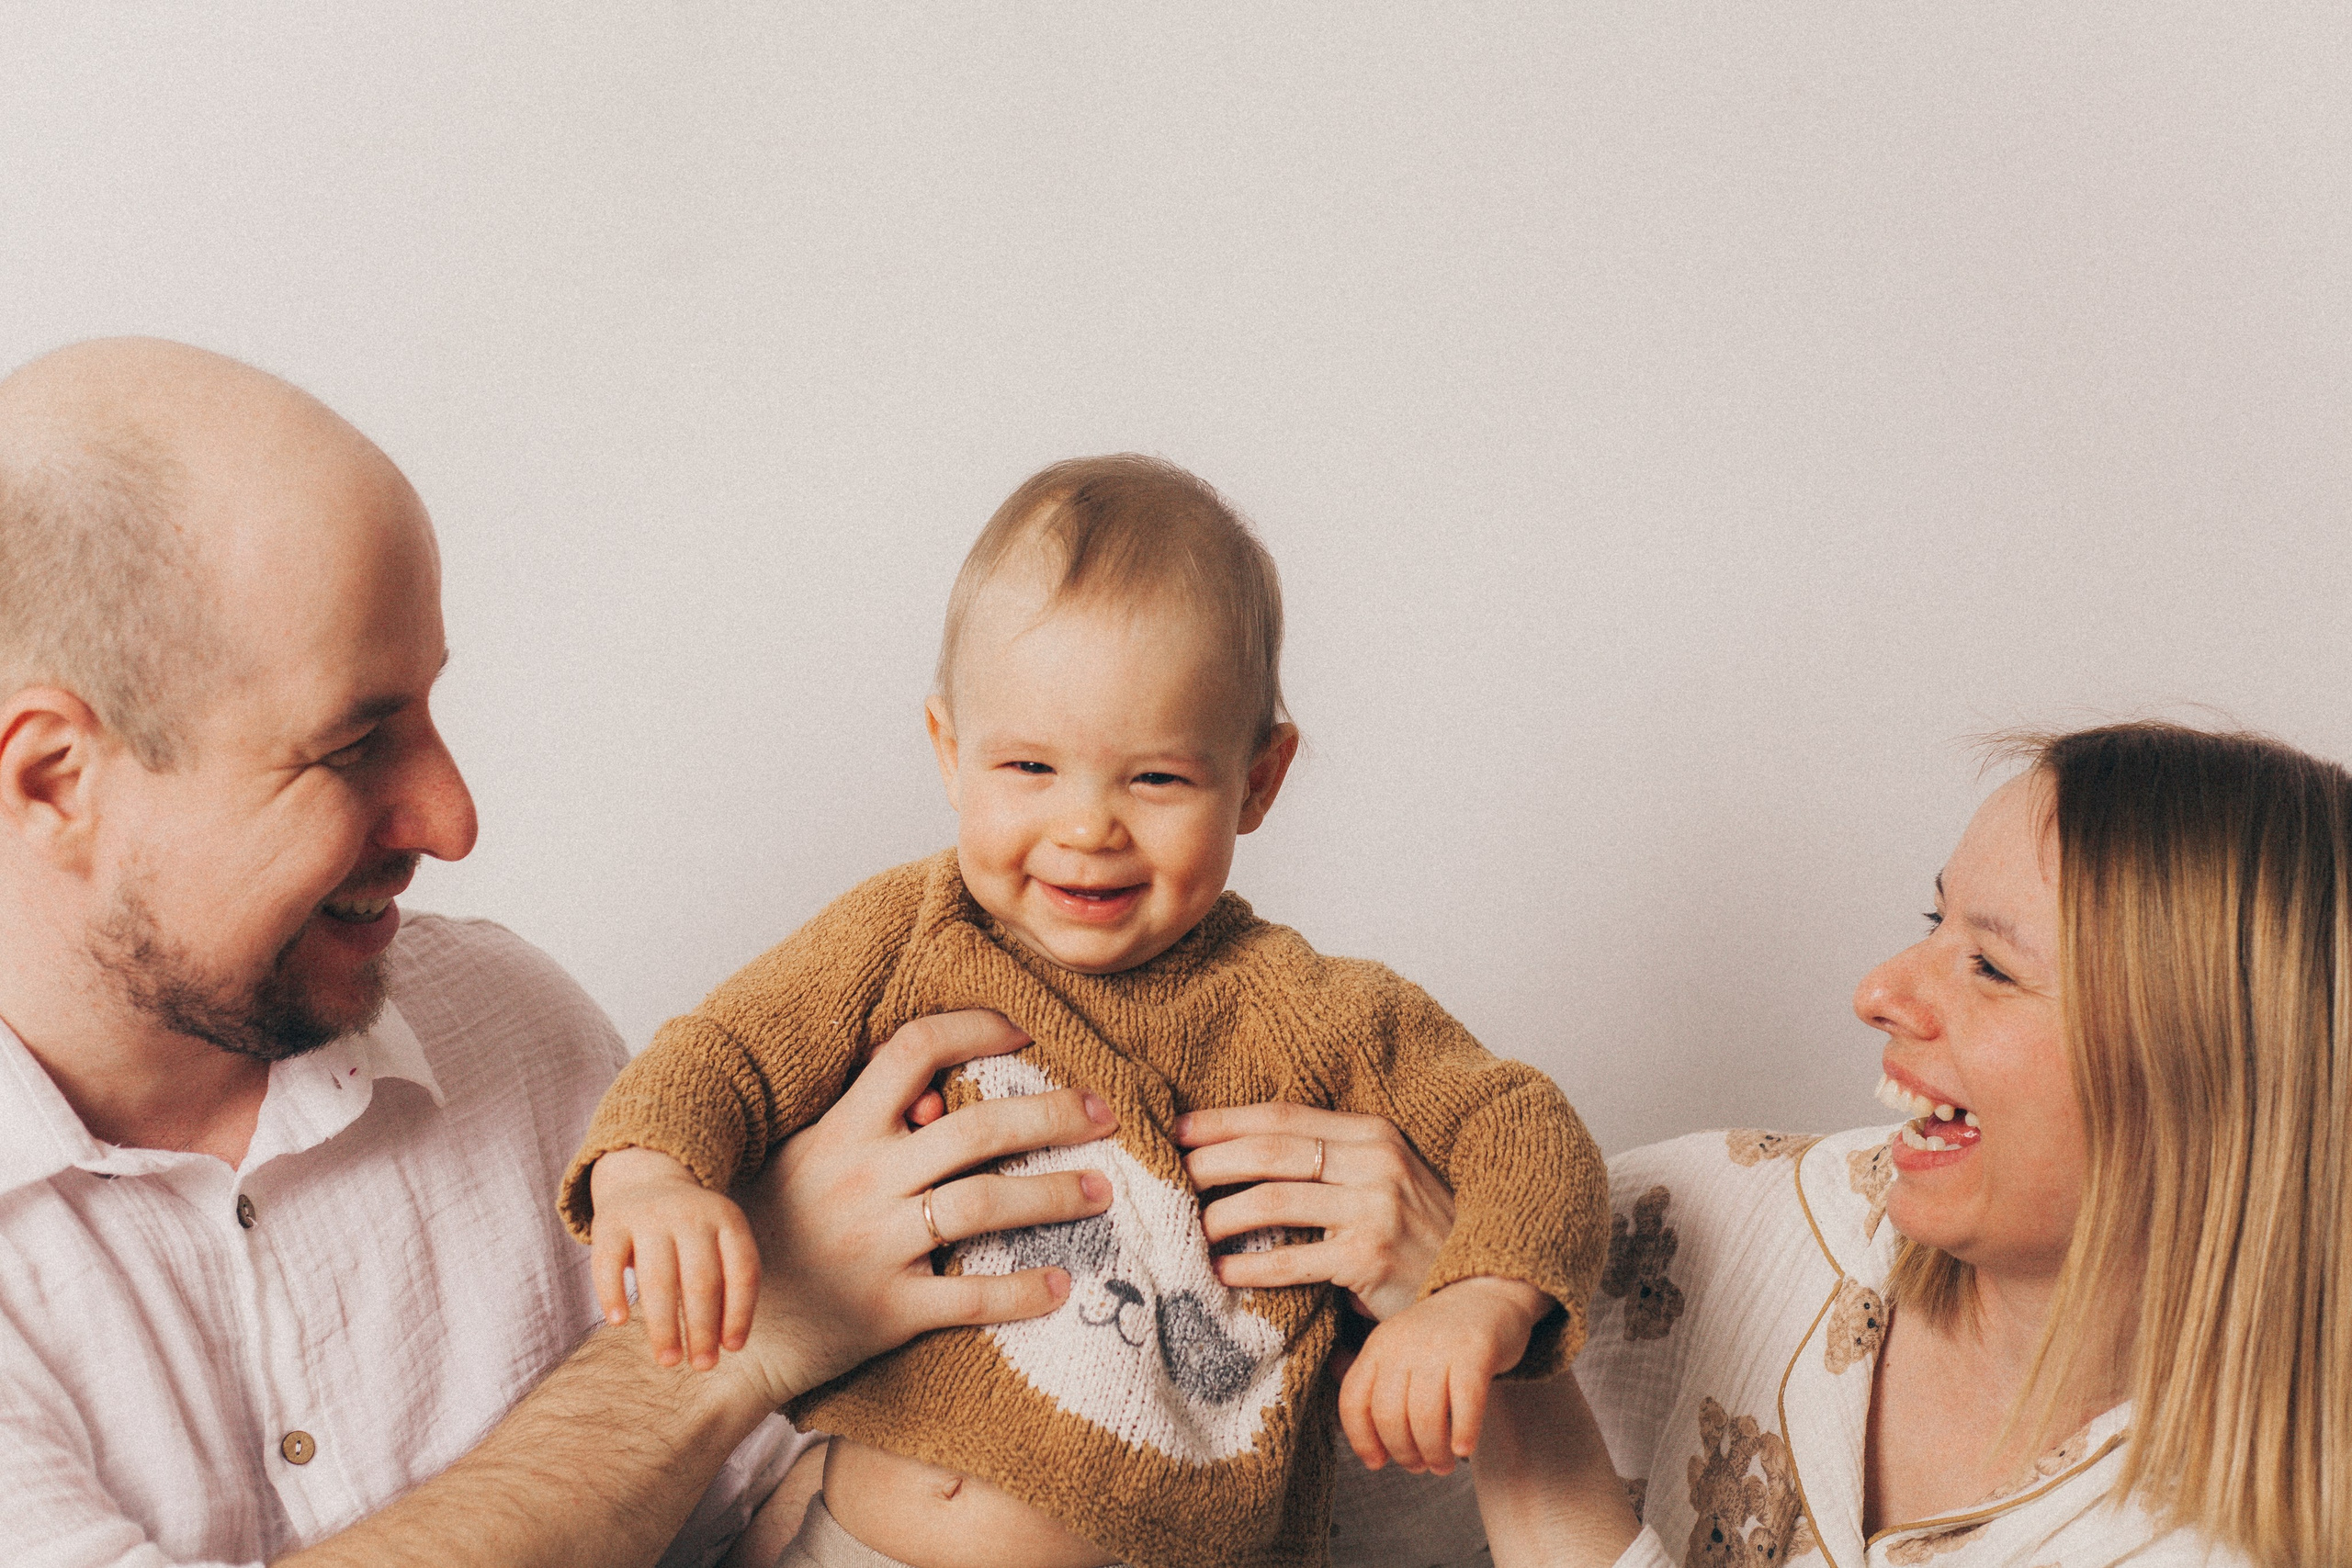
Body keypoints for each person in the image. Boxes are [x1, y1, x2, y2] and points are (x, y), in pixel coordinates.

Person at [0, 338, 1125, 1568]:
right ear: (56, 778)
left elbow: (757, 1526)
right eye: (354, 741)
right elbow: (703, 1399)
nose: (452, 817)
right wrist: (719, 1353)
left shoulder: (512, 1026)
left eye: (429, 706)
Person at [559, 455, 1609, 1568]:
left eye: (1155, 780)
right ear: (950, 755)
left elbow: (1524, 1130)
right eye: (1028, 766)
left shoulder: (1311, 1013)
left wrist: (1474, 1302)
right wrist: (650, 1175)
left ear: (1258, 780)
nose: (1086, 827)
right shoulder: (907, 935)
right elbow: (725, 1053)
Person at [1456, 722, 2346, 1568]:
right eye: (1935, 920)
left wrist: (1529, 1419)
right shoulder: (1706, 1227)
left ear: (2203, 1090)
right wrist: (1449, 1270)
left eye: (1991, 968)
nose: (1876, 991)